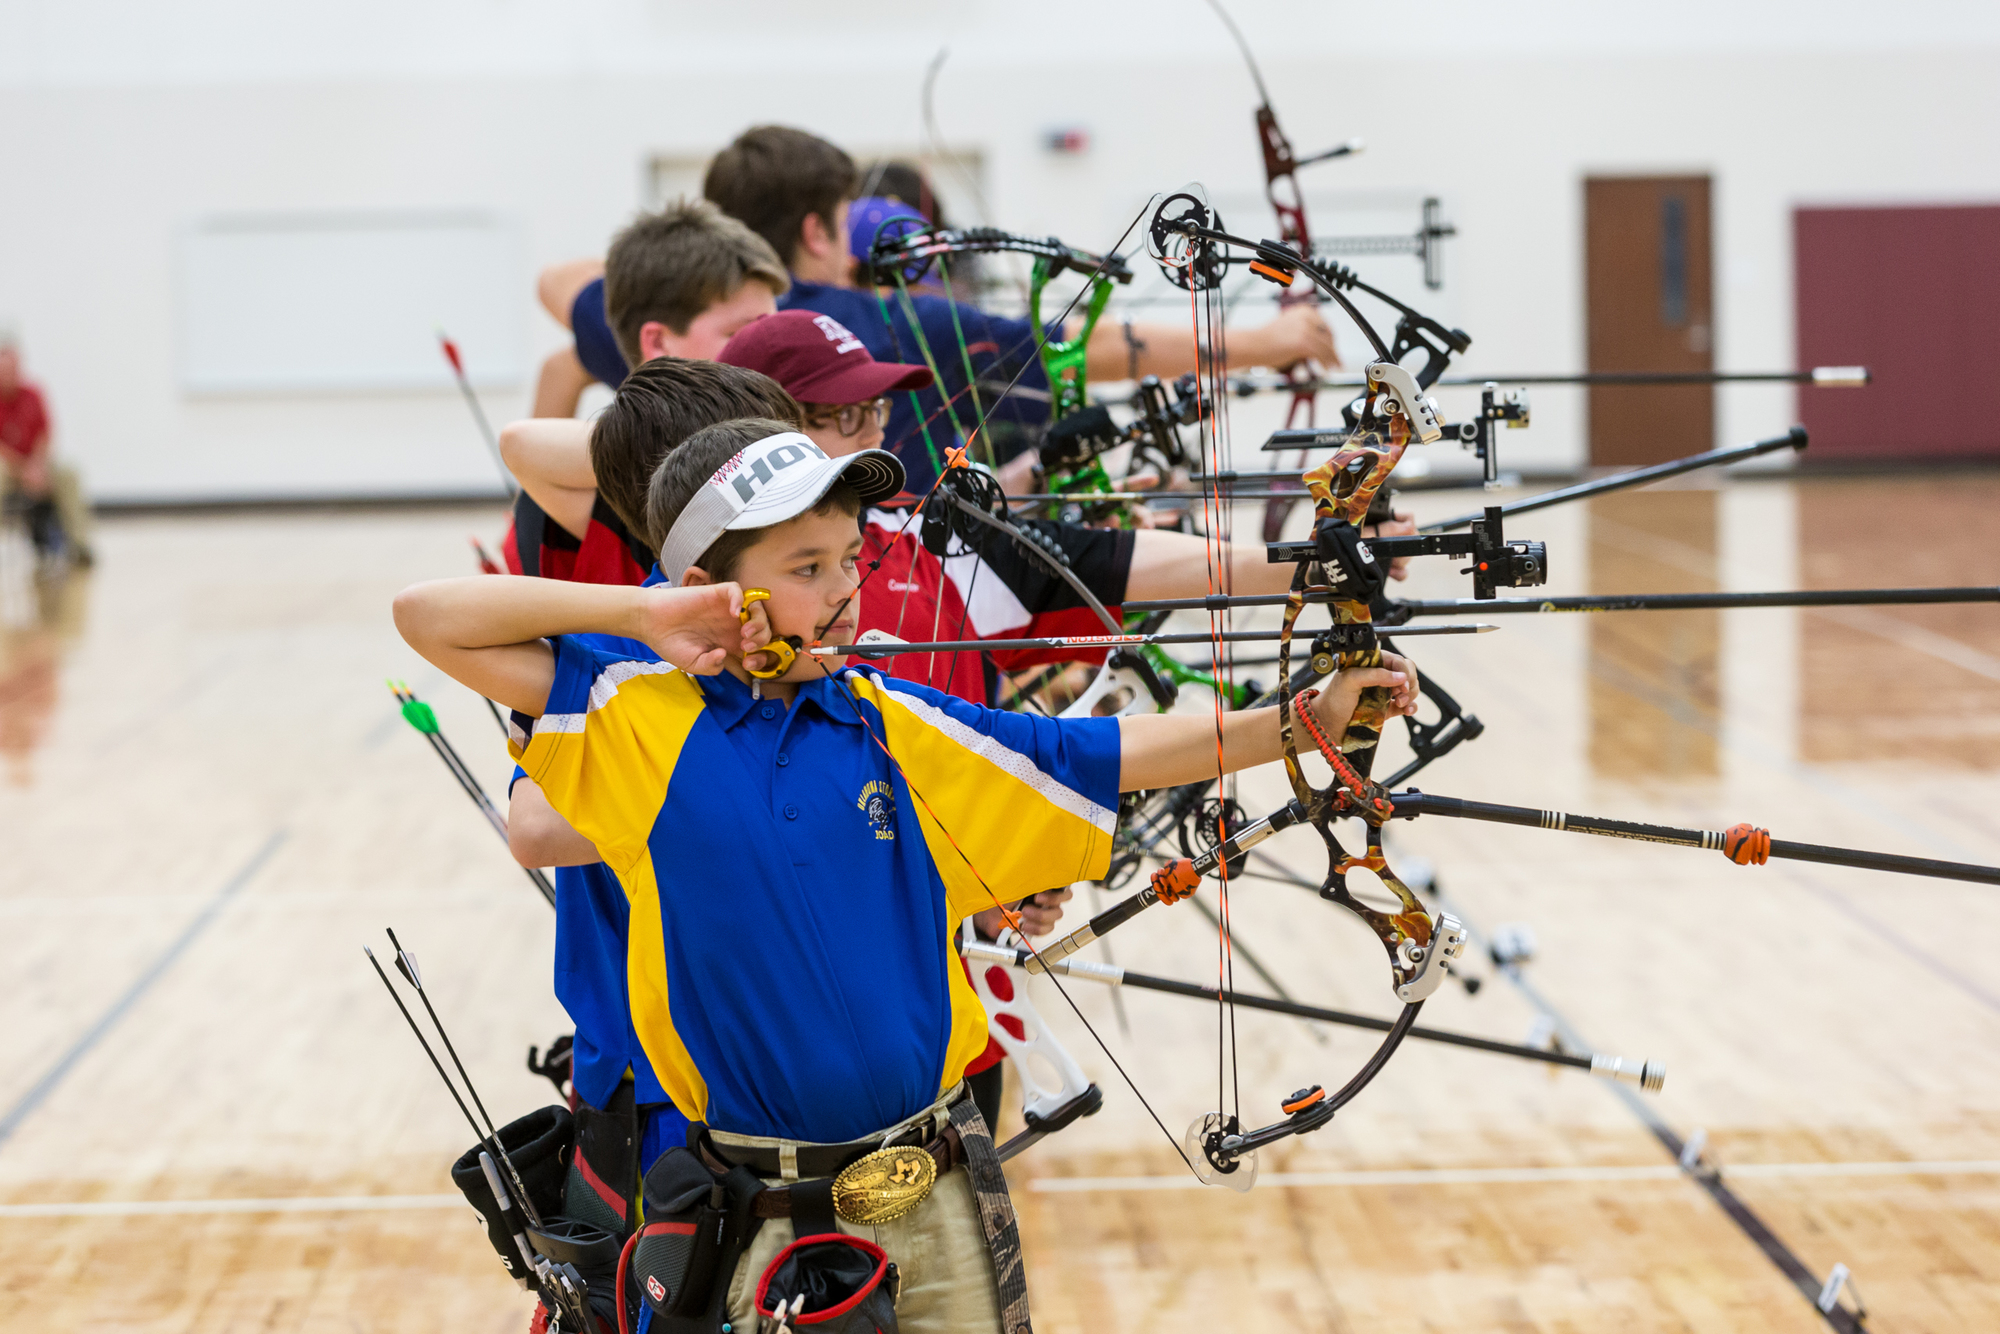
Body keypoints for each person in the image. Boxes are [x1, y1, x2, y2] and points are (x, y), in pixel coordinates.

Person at [393, 418, 1416, 1334]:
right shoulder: (632, 715)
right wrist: (647, 613)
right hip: (763, 1213)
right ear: (718, 583)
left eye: (846, 556)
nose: (843, 588)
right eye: (805, 564)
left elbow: (1091, 751)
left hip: (933, 1186)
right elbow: (428, 614)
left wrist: (1301, 723)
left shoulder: (887, 720)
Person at [701, 125, 1343, 491]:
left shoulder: (688, 330)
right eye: (843, 225)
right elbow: (1078, 348)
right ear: (816, 233)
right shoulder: (882, 324)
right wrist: (1268, 342)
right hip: (907, 602)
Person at [0, 339, 91, 566]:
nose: (9, 375)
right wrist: (23, 471)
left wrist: (37, 466)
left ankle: (79, 544)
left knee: (69, 472)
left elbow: (45, 433)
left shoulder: (33, 394)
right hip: (9, 469)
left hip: (35, 464)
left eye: (12, 369)